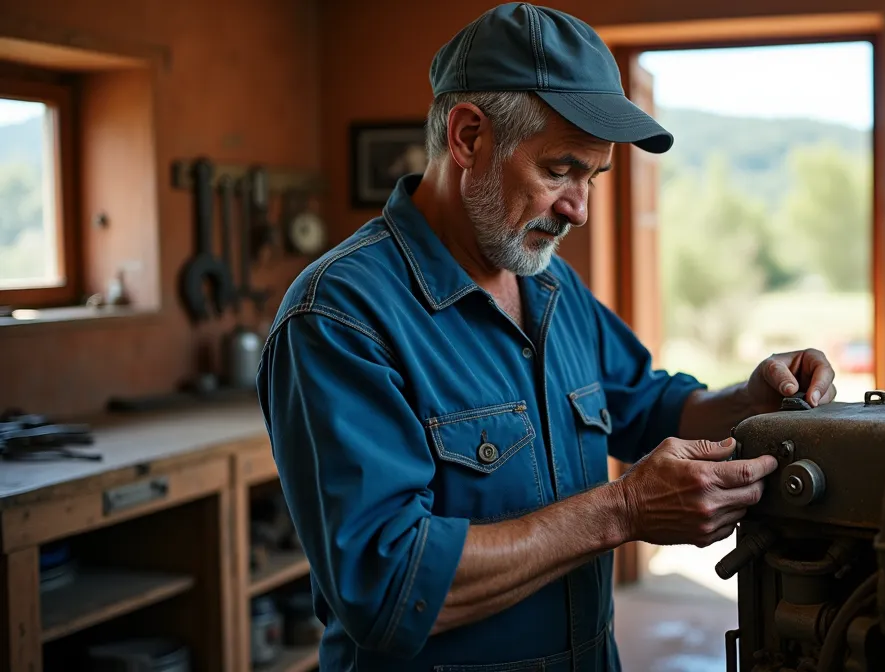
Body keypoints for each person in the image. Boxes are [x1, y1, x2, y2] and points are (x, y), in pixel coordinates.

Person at [257, 3, 837, 670]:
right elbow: (387, 587)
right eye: (560, 169)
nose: (579, 209)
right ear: (469, 137)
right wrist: (623, 511)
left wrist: (749, 397)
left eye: (593, 177)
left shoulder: (552, 288)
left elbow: (644, 406)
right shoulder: (339, 317)